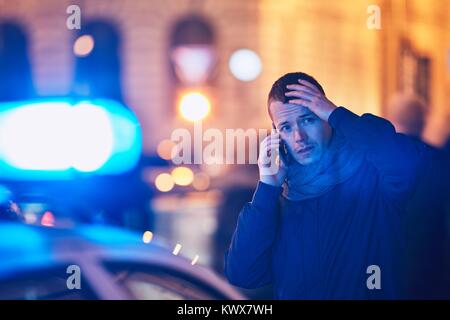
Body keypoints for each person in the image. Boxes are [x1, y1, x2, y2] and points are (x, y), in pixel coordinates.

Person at [224, 72, 432, 299]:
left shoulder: (372, 177)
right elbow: (243, 274)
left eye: (308, 119)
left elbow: (408, 162)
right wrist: (267, 186)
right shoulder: (279, 199)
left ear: (325, 117)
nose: (298, 136)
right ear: (276, 135)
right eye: (285, 127)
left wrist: (337, 115)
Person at [387, 94, 450, 299]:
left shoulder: (375, 164)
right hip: (435, 265)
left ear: (390, 121)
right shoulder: (443, 161)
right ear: (423, 122)